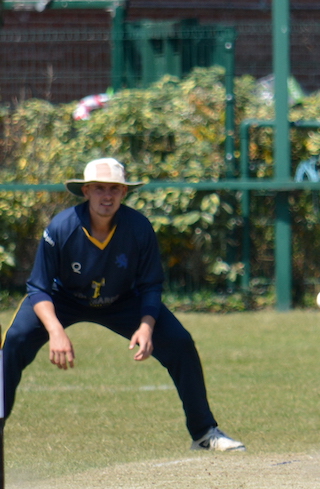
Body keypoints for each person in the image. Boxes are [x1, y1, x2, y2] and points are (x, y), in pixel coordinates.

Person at [2, 158, 245, 451]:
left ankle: (204, 433)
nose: (107, 195)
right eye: (100, 188)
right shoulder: (61, 227)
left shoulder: (138, 227)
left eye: (115, 189)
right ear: (86, 191)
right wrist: (55, 331)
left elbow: (151, 285)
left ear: (124, 193)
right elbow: (38, 287)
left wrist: (145, 326)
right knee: (13, 342)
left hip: (122, 300)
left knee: (180, 343)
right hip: (62, 298)